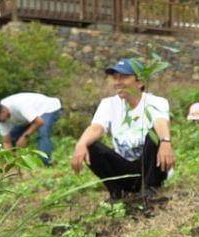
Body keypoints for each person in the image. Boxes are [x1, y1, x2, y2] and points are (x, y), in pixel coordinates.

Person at [71, 58, 175, 200]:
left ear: (140, 82)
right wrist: (81, 143)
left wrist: (165, 141)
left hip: (151, 168)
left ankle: (150, 189)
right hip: (125, 170)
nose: (118, 82)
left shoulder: (156, 102)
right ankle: (116, 192)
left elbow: (160, 122)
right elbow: (97, 127)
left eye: (124, 77)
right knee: (90, 145)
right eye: (115, 78)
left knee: (154, 134)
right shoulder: (108, 104)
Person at [0, 92, 62, 166]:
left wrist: (24, 137)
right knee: (13, 136)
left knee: (43, 133)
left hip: (48, 108)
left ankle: (46, 163)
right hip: (29, 117)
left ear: (3, 111)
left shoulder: (18, 105)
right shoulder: (0, 119)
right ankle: (17, 161)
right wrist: (10, 160)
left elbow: (39, 122)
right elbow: (7, 141)